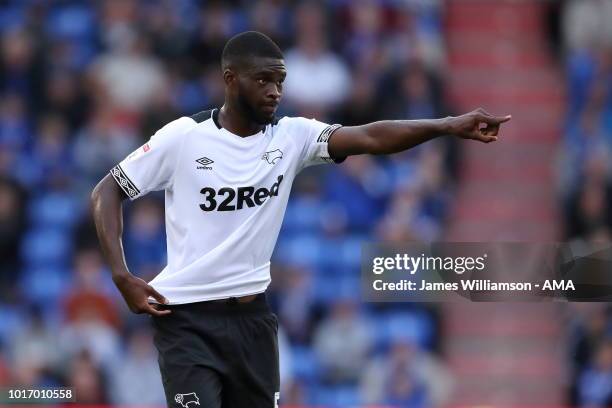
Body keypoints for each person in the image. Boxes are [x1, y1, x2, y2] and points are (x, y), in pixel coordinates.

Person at [90, 31, 511, 408]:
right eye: (264, 80)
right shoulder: (183, 138)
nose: (275, 91)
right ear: (230, 79)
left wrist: (447, 125)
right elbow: (106, 190)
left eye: (280, 82)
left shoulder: (292, 137)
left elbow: (371, 136)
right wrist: (121, 275)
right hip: (186, 321)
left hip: (253, 321)